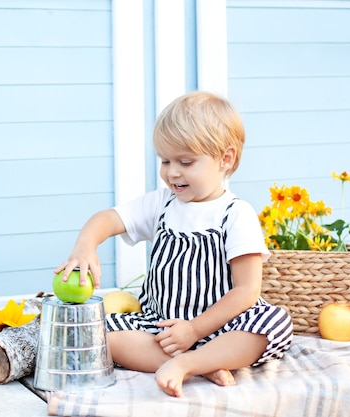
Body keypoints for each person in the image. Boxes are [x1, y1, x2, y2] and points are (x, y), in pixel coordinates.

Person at [54, 91, 293, 397]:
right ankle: (205, 364)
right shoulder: (162, 204)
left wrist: (194, 330)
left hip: (223, 326)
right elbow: (109, 219)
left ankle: (190, 361)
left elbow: (246, 291)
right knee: (98, 335)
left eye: (186, 161)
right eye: (165, 160)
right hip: (162, 327)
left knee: (275, 323)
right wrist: (85, 246)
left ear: (225, 159)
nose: (172, 172)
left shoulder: (235, 214)